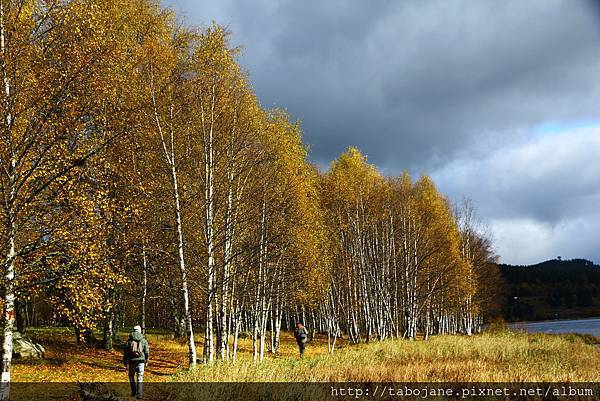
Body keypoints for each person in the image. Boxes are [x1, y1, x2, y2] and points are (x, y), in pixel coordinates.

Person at [123, 325, 149, 399]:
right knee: (140, 378)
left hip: (132, 361)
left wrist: (125, 362)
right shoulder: (143, 340)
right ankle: (139, 395)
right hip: (141, 361)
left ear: (133, 331)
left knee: (131, 376)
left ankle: (133, 392)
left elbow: (126, 353)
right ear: (140, 331)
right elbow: (146, 351)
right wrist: (146, 360)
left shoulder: (129, 340)